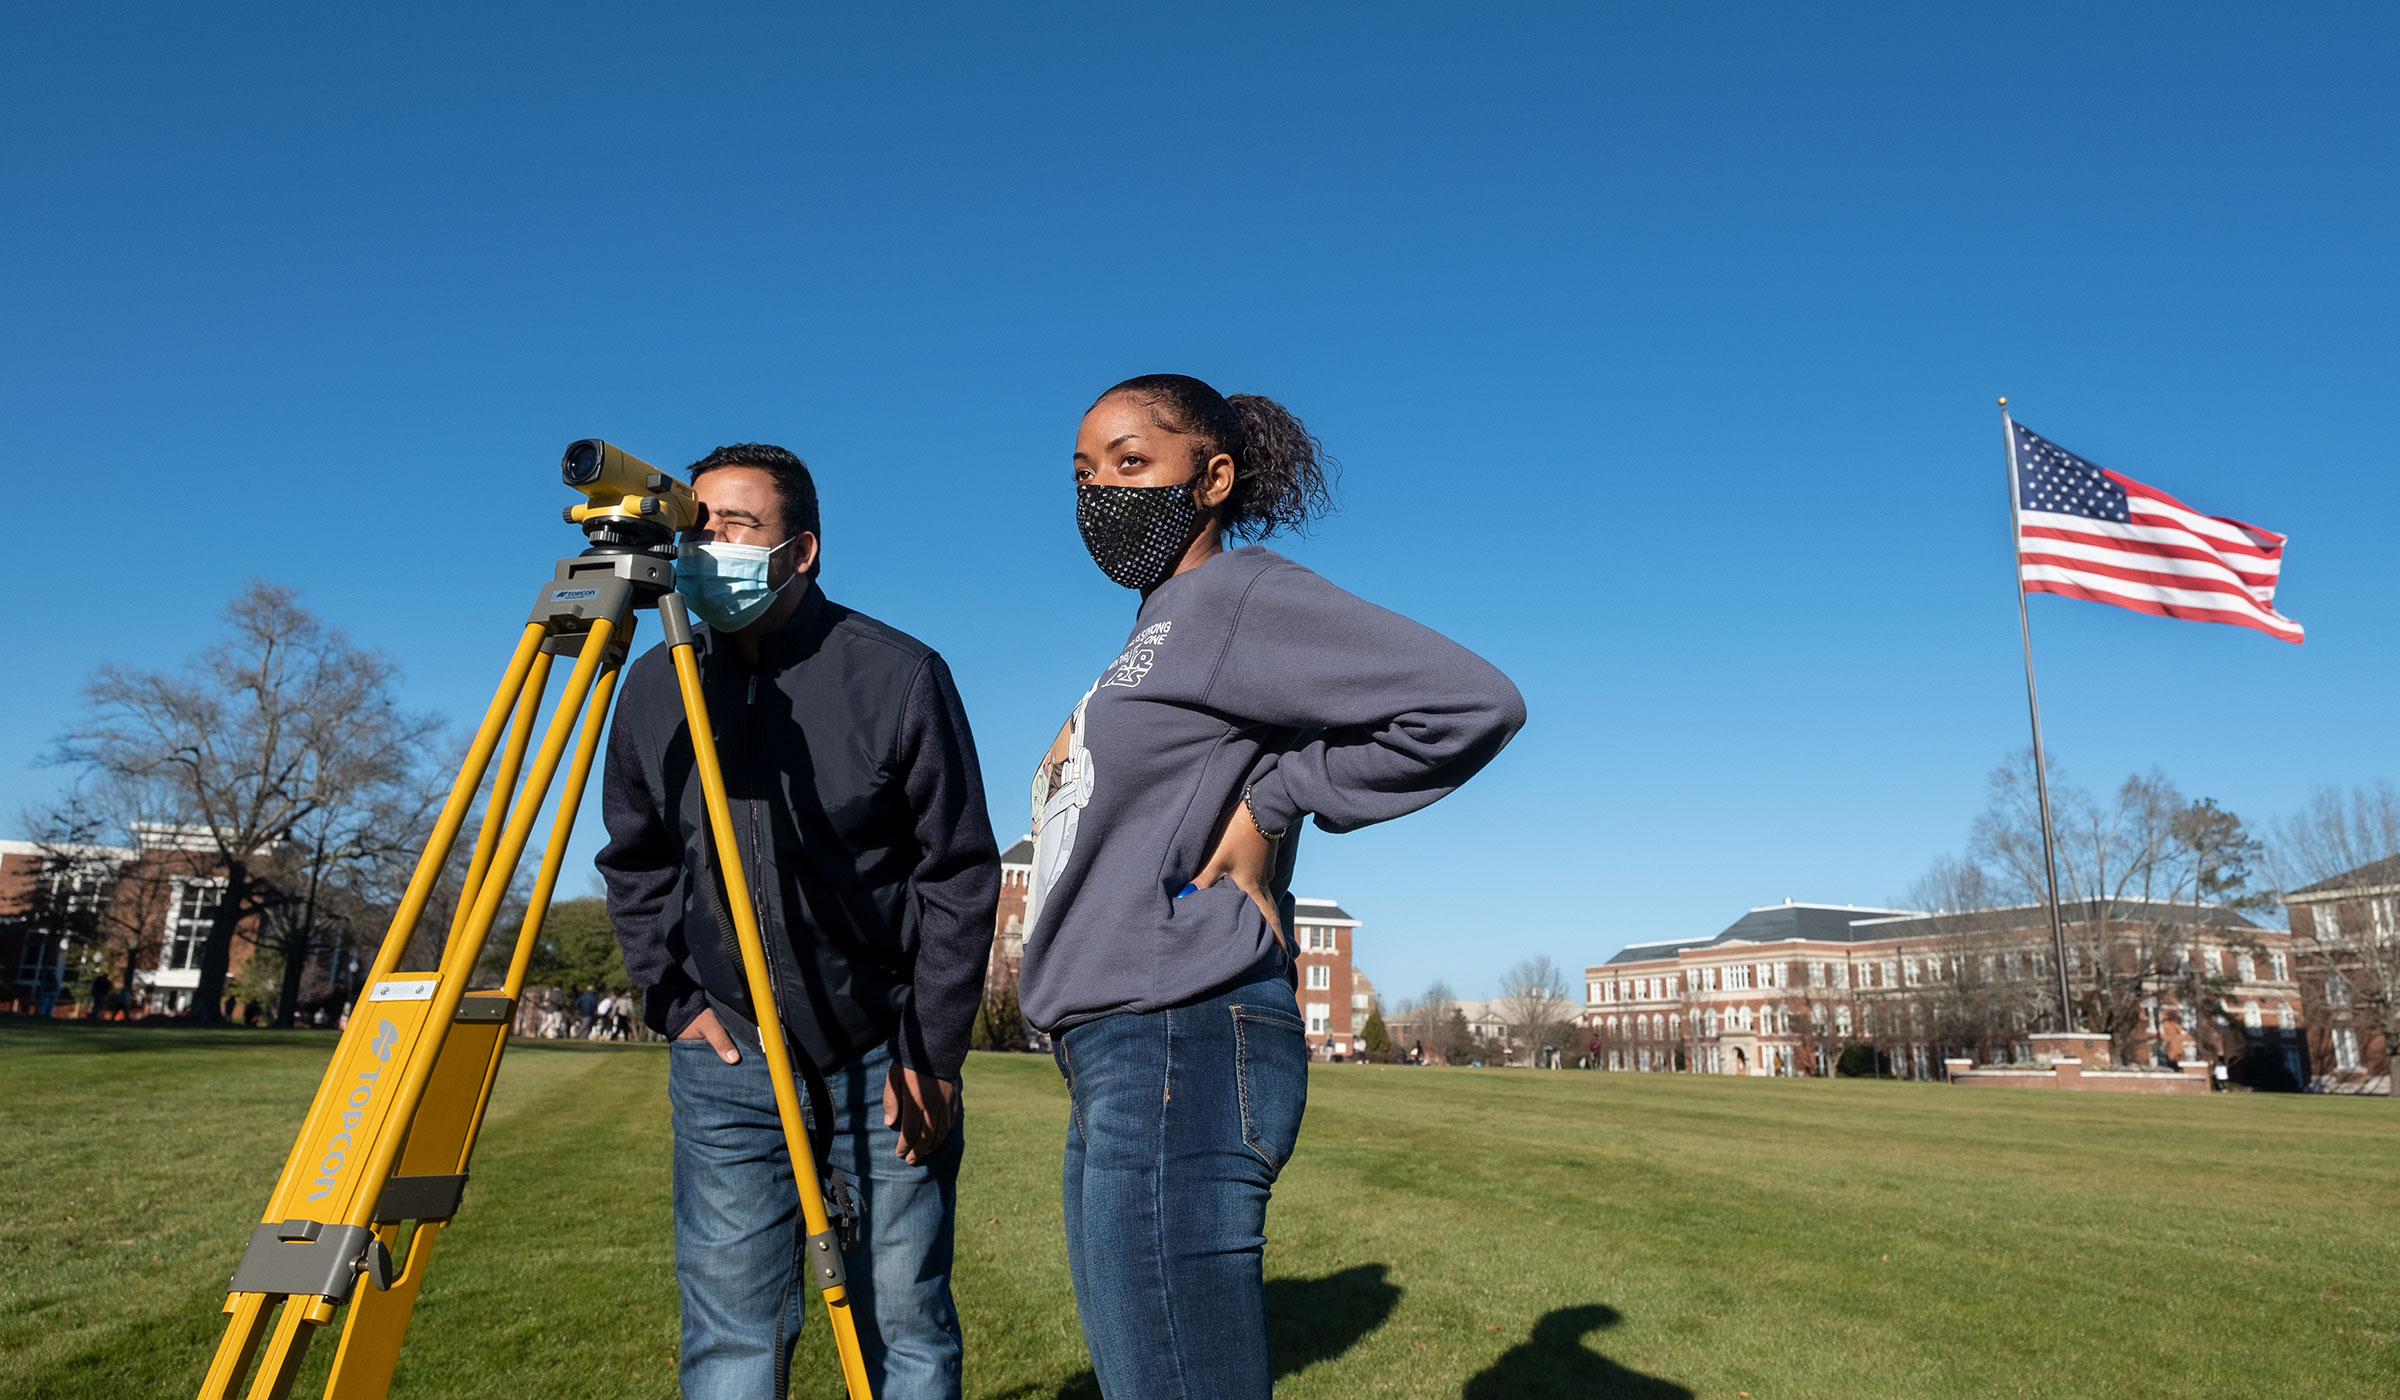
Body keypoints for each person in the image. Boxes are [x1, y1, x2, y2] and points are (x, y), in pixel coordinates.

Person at [1022, 375, 1524, 1399]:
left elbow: (1471, 701)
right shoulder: (1156, 628)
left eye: (1129, 463)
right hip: (1113, 1043)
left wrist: (1277, 801)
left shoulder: (1237, 596)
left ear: (1211, 477)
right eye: (1083, 473)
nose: (1098, 494)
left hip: (1179, 1036)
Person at [599, 441, 999, 1400]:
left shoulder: (898, 675)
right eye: (697, 526)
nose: (710, 545)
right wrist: (674, 1004)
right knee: (731, 1334)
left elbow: (958, 873)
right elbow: (635, 859)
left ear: (802, 550)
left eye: (738, 526)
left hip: (881, 1048)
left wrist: (932, 1051)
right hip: (727, 1053)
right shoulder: (657, 684)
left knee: (904, 1325)